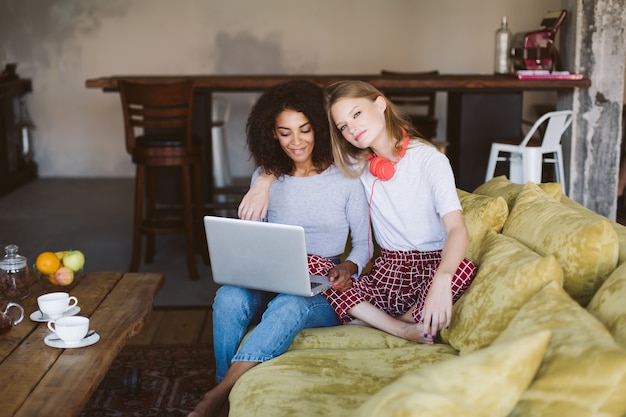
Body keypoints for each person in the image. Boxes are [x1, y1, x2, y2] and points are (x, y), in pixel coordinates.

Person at [240, 80, 477, 346]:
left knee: (464, 269)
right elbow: (299, 155)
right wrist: (264, 180)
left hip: (431, 264)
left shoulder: (429, 160)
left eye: (356, 114)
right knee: (320, 270)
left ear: (379, 104)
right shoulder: (355, 164)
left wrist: (443, 280)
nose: (352, 128)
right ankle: (398, 326)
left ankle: (389, 320)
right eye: (343, 126)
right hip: (387, 270)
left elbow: (457, 228)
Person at [188, 80, 371, 417]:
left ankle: (215, 396)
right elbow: (254, 239)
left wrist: (348, 267)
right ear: (272, 133)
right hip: (271, 272)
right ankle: (228, 395)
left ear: (318, 127)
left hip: (322, 283)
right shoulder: (266, 175)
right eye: (285, 132)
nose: (297, 141)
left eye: (305, 130)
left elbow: (363, 245)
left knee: (290, 303)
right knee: (229, 297)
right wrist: (262, 185)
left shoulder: (346, 177)